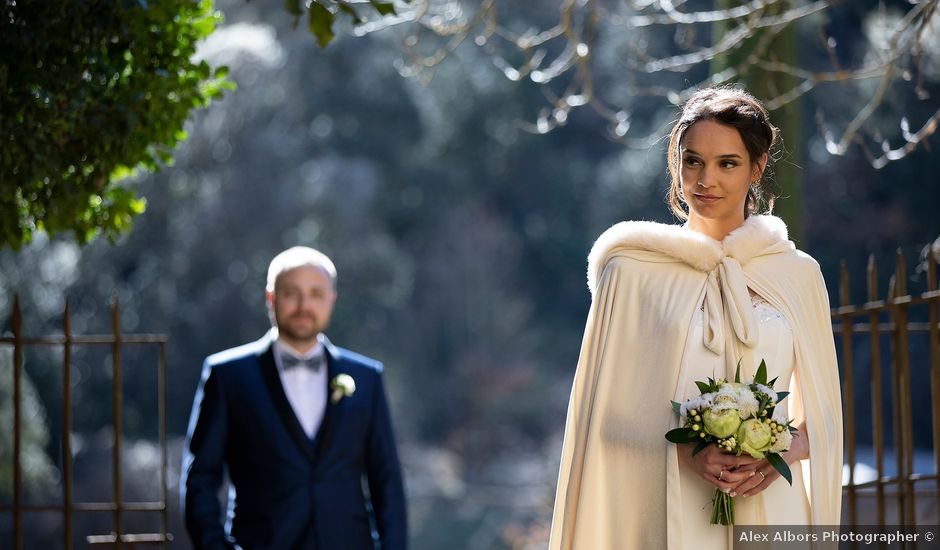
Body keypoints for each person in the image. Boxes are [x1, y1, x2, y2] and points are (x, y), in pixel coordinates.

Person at [548, 87, 842, 549]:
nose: (705, 179)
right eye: (692, 161)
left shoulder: (798, 275)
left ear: (757, 167)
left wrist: (777, 450)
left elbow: (823, 422)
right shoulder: (633, 273)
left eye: (727, 163)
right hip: (671, 508)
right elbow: (601, 420)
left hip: (772, 511)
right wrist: (686, 449)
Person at [182, 246, 407, 550]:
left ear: (332, 300)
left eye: (316, 293)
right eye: (291, 293)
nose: (304, 305)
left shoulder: (367, 378)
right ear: (271, 298)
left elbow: (387, 482)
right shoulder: (227, 376)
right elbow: (201, 480)